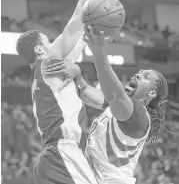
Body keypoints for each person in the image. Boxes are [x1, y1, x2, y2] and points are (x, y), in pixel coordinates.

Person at [15, 0, 120, 184]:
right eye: (48, 40)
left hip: (56, 157)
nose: (53, 42)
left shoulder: (47, 74)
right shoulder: (49, 64)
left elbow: (83, 38)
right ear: (40, 49)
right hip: (63, 154)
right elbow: (78, 17)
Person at [47, 26, 168, 184]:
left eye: (146, 77)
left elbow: (115, 94)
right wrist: (76, 75)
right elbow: (85, 92)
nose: (138, 74)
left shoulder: (139, 114)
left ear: (151, 93)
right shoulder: (116, 107)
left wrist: (98, 52)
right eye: (140, 72)